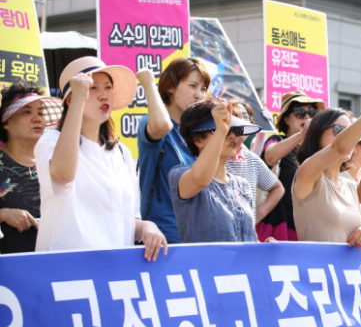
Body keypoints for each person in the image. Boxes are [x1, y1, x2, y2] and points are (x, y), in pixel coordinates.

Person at [35, 57, 168, 261]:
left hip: (113, 272)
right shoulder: (50, 141)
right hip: (64, 270)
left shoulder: (121, 153)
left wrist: (147, 227)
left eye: (108, 87)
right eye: (93, 88)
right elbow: (62, 175)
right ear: (70, 99)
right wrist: (79, 99)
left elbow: (127, 220)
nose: (103, 95)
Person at [292, 88, 361, 246]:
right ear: (317, 136)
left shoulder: (349, 185)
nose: (350, 138)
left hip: (345, 270)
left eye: (351, 132)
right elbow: (338, 148)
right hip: (316, 269)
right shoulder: (308, 173)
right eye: (339, 130)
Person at [137, 57, 211, 243]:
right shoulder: (153, 124)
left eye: (203, 89)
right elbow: (162, 125)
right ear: (170, 87)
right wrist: (149, 85)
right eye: (192, 85)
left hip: (199, 235)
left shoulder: (198, 134)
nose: (198, 94)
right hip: (163, 238)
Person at [169, 99, 261, 243]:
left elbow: (250, 239)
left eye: (234, 129)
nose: (232, 135)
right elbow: (199, 180)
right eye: (218, 129)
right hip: (205, 265)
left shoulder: (243, 185)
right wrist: (221, 131)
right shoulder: (179, 175)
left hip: (244, 265)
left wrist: (264, 250)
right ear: (198, 140)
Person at [0, 81, 62, 253]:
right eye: (27, 112)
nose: (37, 119)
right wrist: (3, 214)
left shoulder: (54, 163)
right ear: (6, 122)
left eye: (41, 113)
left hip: (53, 266)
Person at [258, 91, 324, 241]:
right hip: (278, 225)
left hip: (309, 227)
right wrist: (302, 135)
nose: (307, 117)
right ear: (286, 119)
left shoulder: (318, 150)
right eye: (300, 112)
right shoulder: (277, 140)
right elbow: (270, 156)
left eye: (312, 112)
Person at [226, 101, 284, 224]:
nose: (242, 121)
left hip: (247, 237)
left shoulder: (251, 158)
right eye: (236, 115)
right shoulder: (212, 155)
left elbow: (277, 189)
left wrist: (257, 215)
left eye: (246, 117)